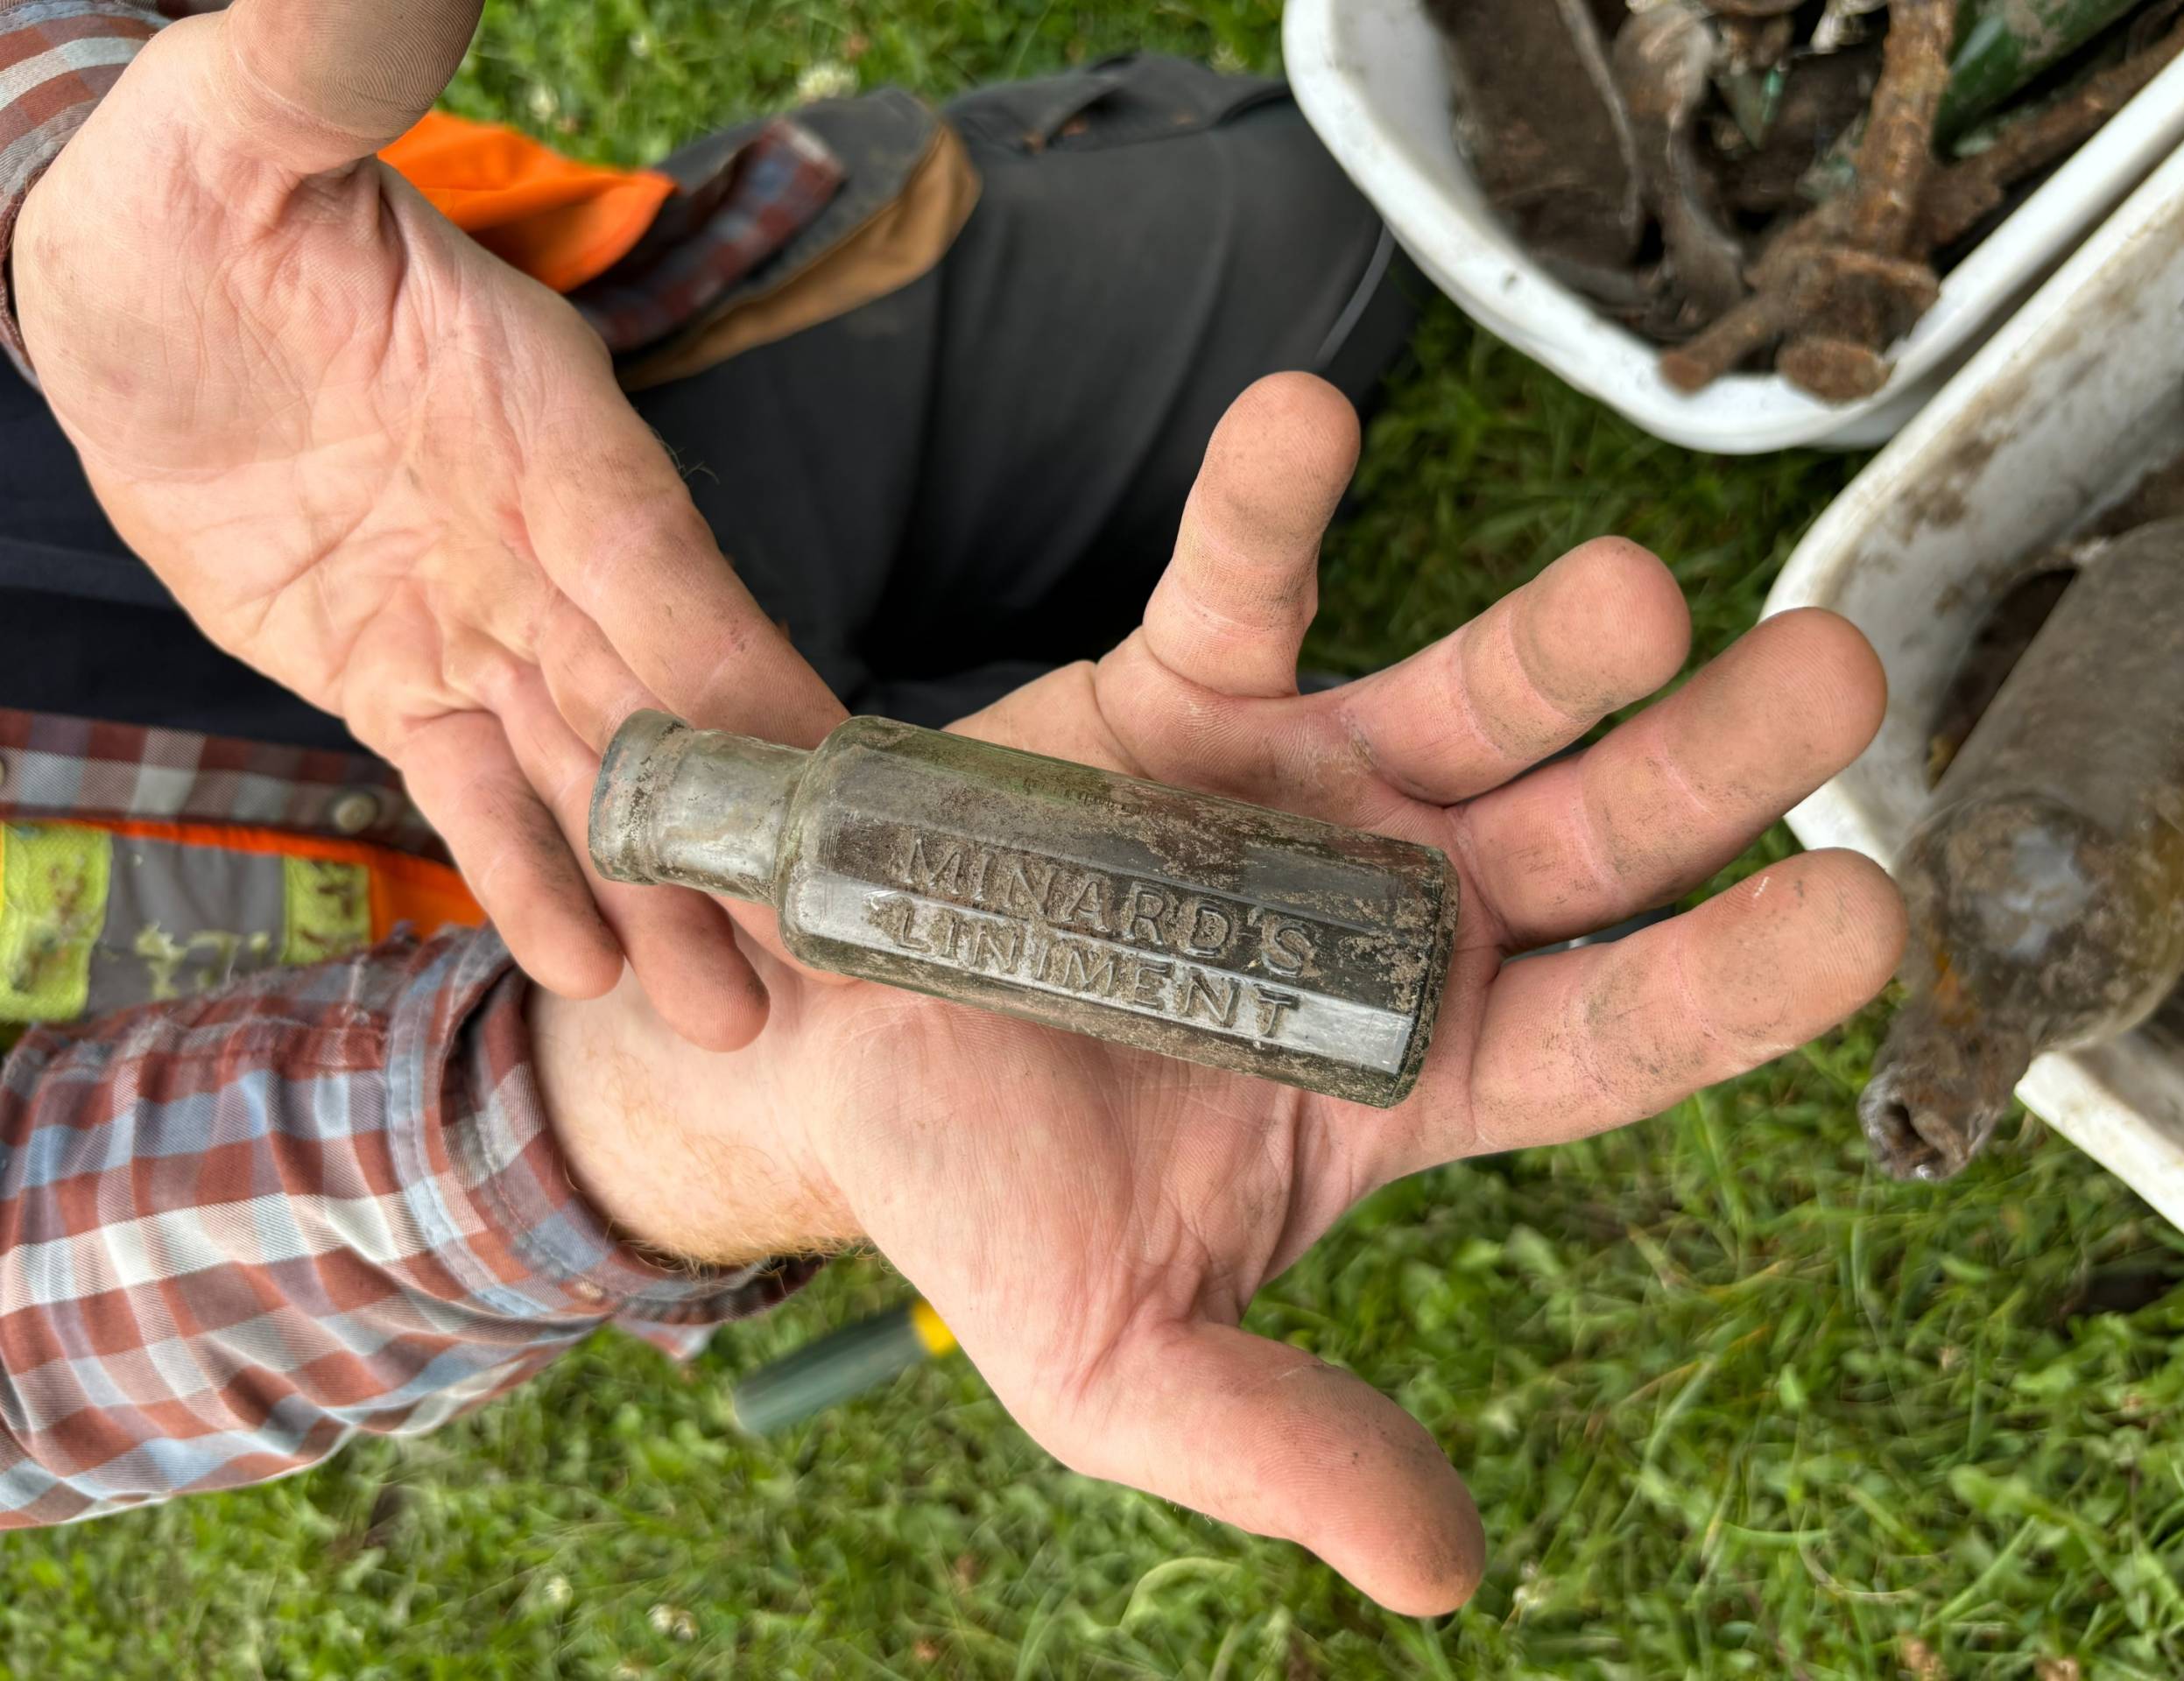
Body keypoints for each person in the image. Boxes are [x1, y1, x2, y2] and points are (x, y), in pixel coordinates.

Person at [0, 0, 1906, 1616]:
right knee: (1191, 798)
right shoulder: (806, 905)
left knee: (1314, 223)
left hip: (474, 450)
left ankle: (980, 580)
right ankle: (1000, 691)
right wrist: (634, 1119)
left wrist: (64, 184)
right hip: (436, 939)